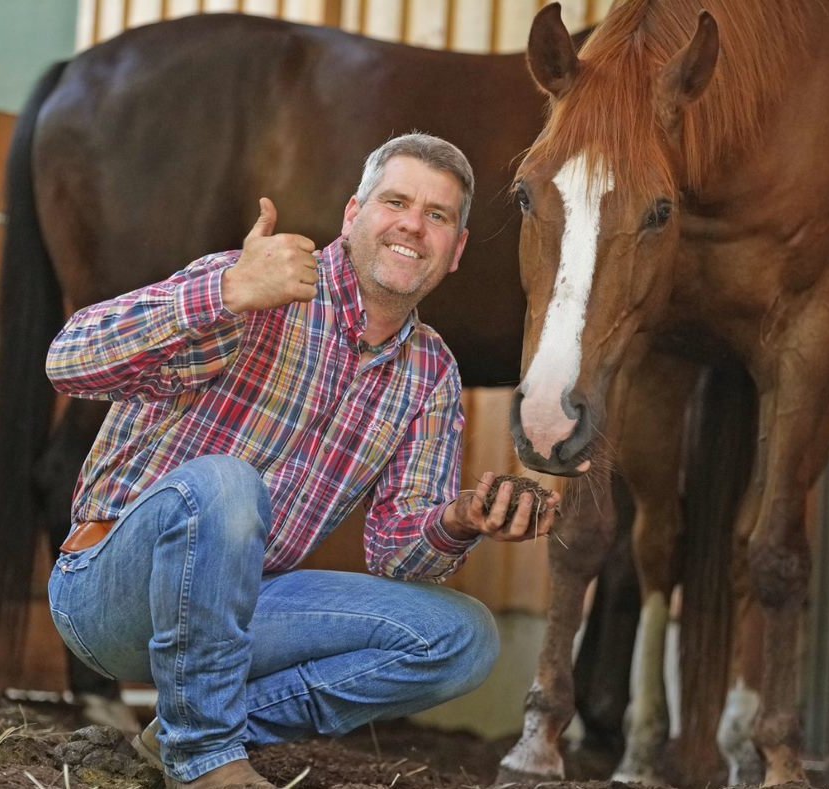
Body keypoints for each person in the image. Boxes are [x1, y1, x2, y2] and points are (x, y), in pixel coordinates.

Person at [45, 133, 560, 789]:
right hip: (110, 594)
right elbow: (69, 360)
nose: (413, 224)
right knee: (227, 483)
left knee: (462, 638)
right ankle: (204, 759)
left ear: (455, 250)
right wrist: (225, 292)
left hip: (240, 612)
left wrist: (459, 518)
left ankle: (186, 728)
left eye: (438, 215)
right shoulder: (260, 281)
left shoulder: (429, 371)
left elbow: (397, 556)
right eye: (395, 201)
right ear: (352, 216)